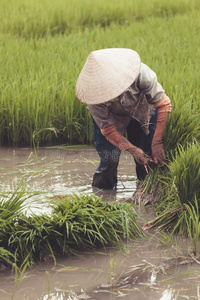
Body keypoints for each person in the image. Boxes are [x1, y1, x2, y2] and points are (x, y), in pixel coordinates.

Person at [75, 48, 172, 189]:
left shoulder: (141, 73)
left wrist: (157, 142)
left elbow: (164, 105)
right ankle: (103, 194)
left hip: (141, 110)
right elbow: (108, 131)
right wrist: (132, 149)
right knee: (109, 157)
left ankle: (149, 189)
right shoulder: (94, 99)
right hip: (111, 119)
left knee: (149, 153)